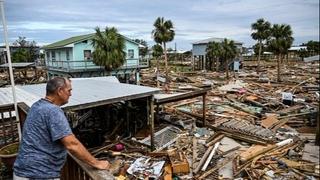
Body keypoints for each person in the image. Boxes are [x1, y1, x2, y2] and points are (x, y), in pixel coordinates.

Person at [13, 77, 110, 179]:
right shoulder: (53, 111)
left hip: (22, 171)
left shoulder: (36, 106)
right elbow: (72, 144)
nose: (70, 94)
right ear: (60, 91)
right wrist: (96, 163)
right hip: (39, 174)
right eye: (69, 90)